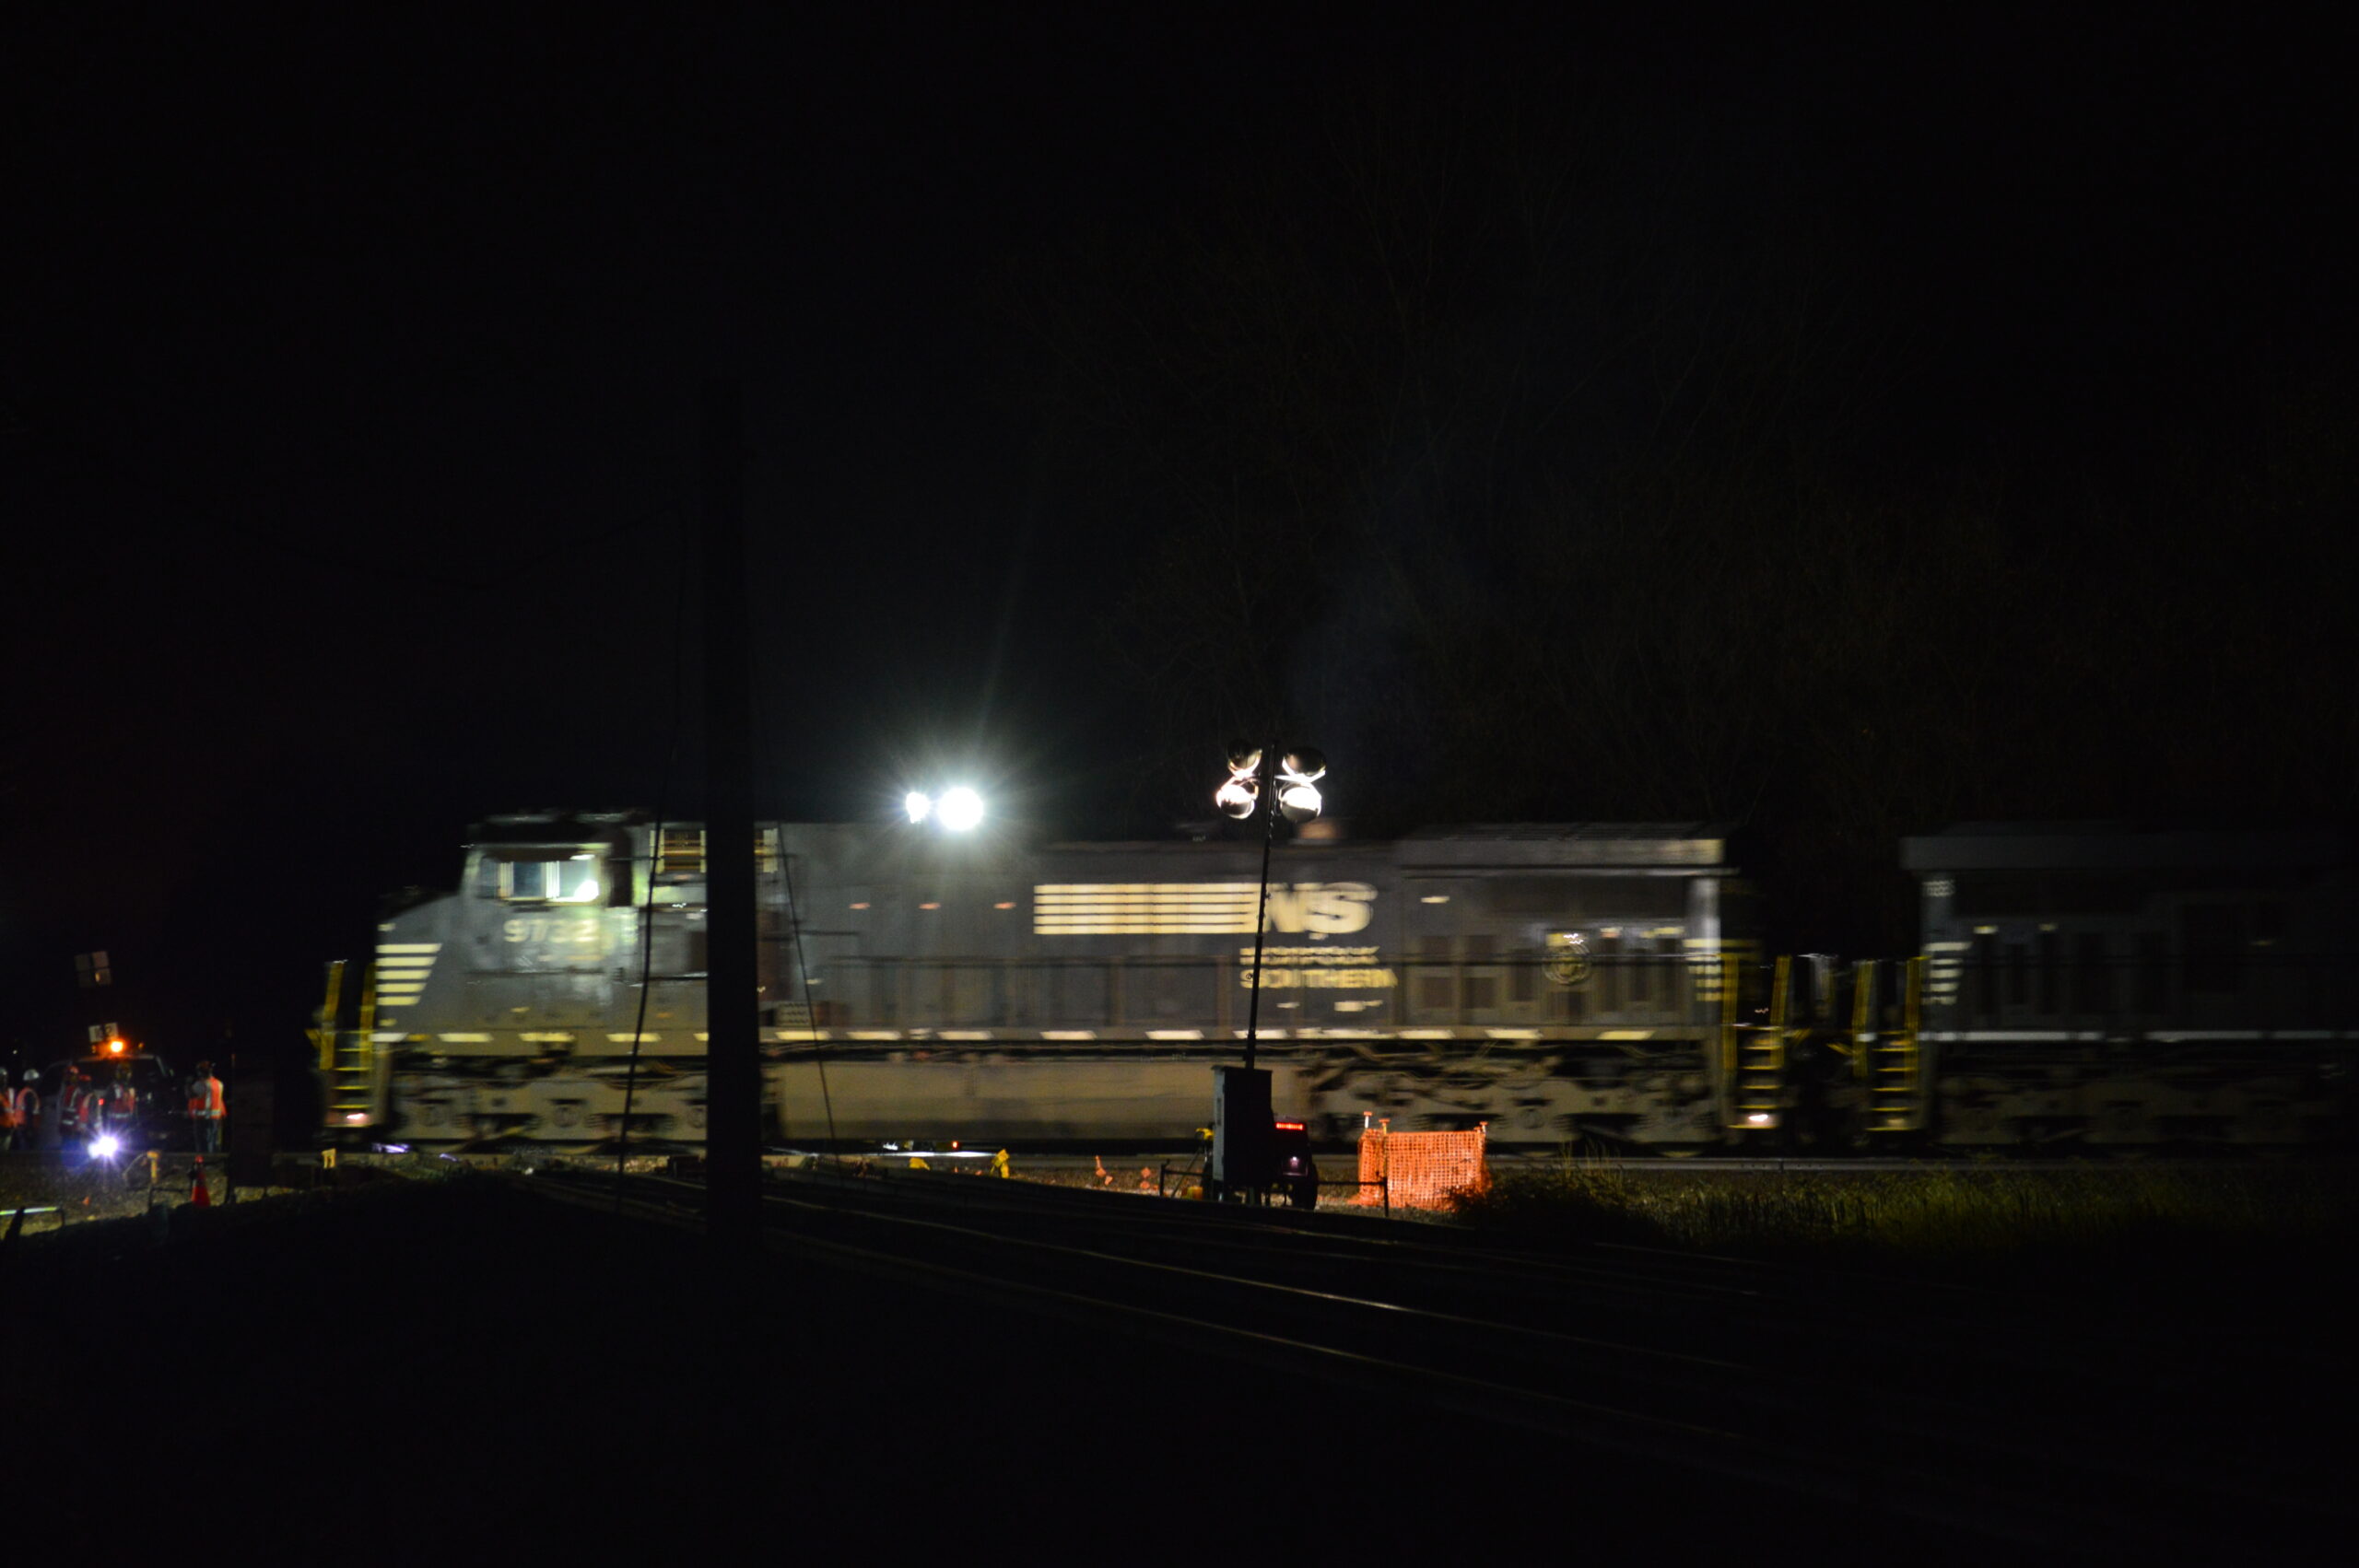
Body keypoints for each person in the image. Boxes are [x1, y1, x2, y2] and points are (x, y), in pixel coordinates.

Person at [190, 1061, 225, 1154]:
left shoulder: (200, 1084)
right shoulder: (219, 1084)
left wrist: (186, 1084)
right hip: (216, 1119)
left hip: (202, 1119)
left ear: (201, 1072)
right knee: (213, 1143)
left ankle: (204, 1164)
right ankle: (212, 1163)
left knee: (202, 1145)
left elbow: (190, 1095)